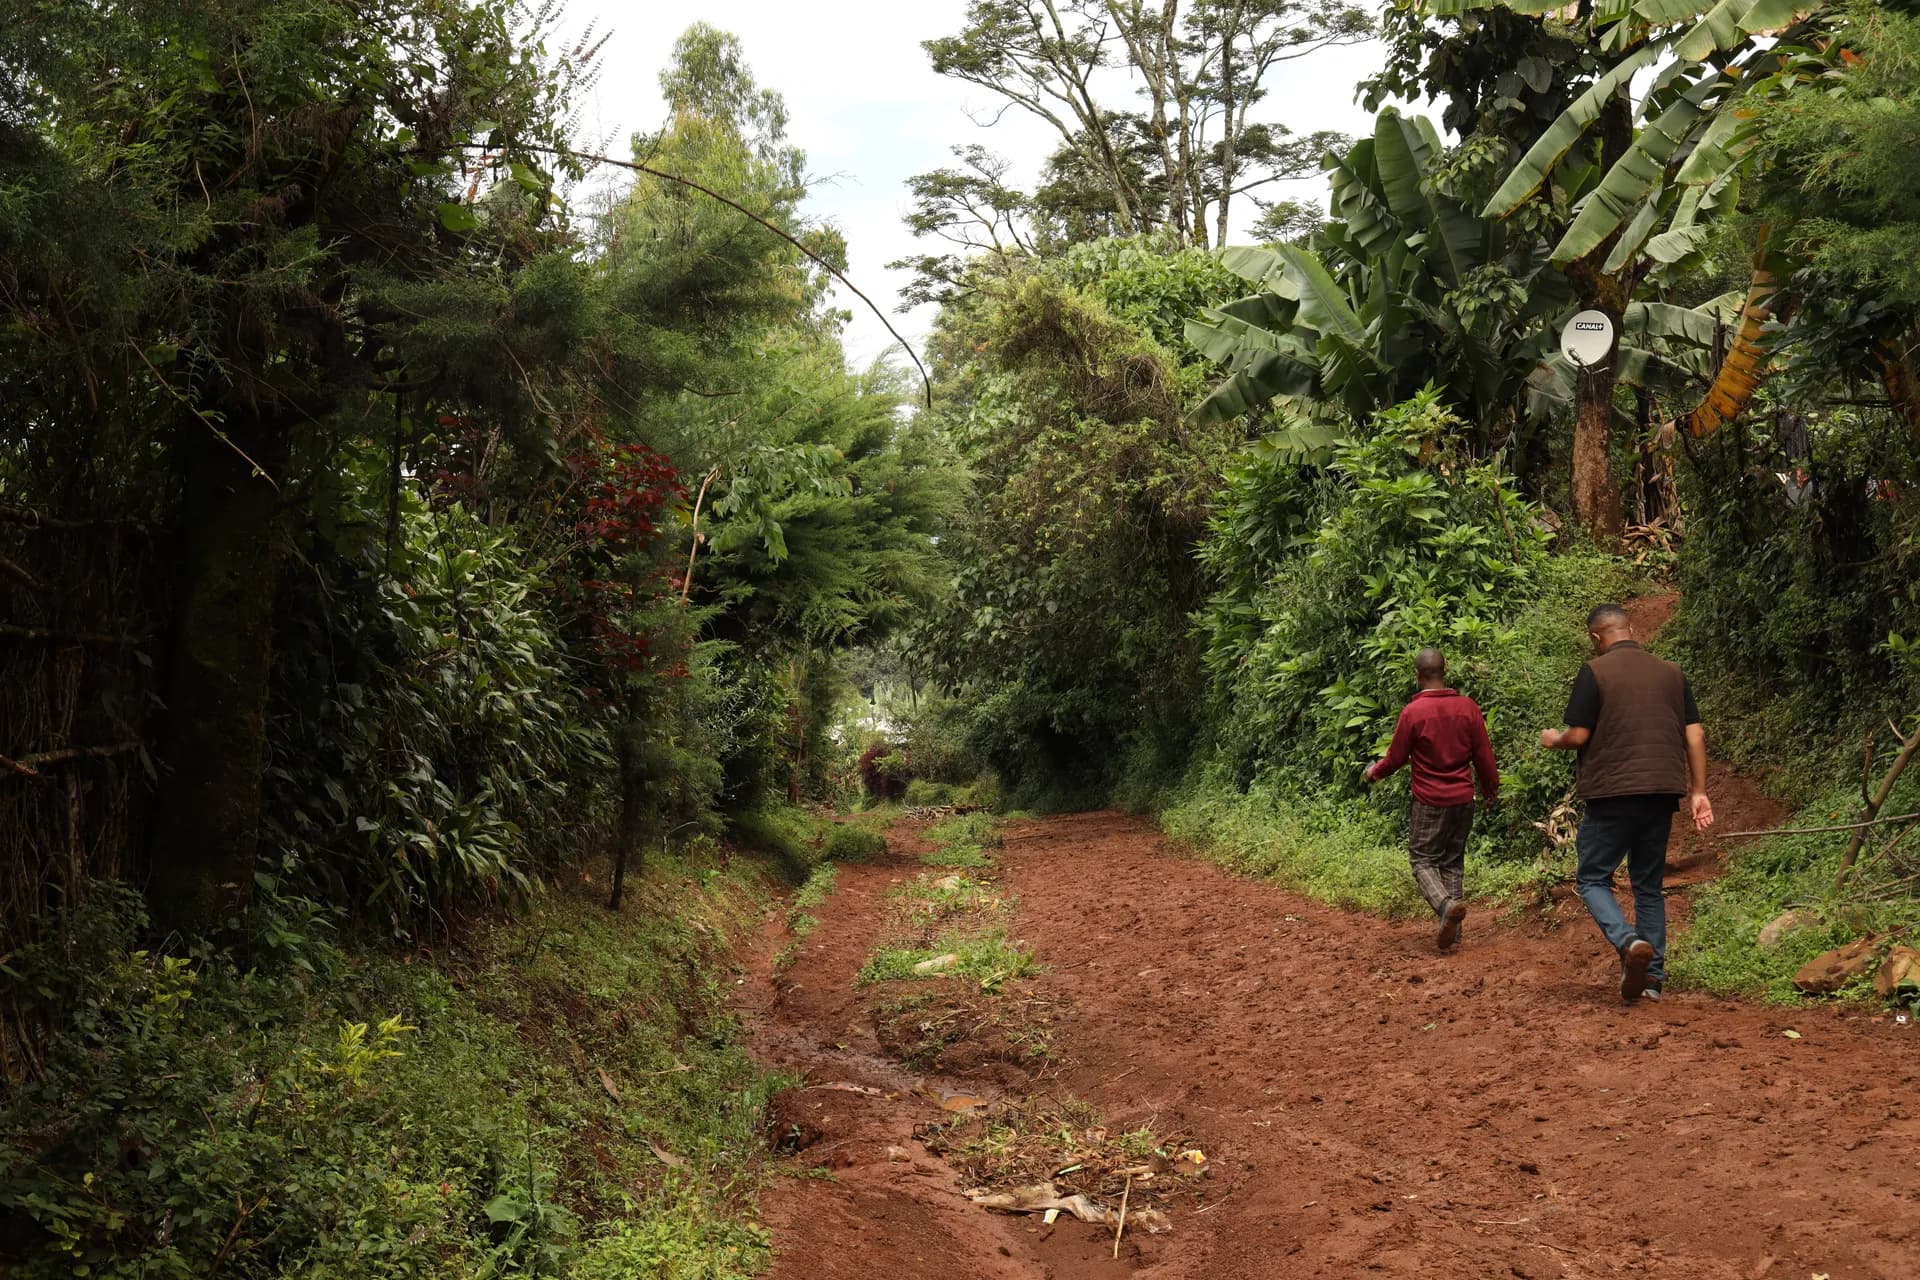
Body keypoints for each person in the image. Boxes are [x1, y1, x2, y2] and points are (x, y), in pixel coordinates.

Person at [1540, 603, 1715, 1003]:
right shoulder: (1672, 672)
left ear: (1595, 638)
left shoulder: (1595, 671)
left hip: (1612, 793)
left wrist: (1554, 739)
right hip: (1662, 791)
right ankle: (1652, 981)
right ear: (1631, 629)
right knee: (1648, 886)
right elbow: (1695, 735)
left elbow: (1580, 735)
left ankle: (1627, 941)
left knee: (1592, 878)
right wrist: (1699, 791)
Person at [1364, 648, 1499, 951]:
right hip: (1464, 798)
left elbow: (1396, 757)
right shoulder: (1467, 707)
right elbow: (1483, 756)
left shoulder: (1413, 713)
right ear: (1445, 671)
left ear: (1418, 675)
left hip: (1429, 801)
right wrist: (1491, 790)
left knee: (1422, 860)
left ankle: (1445, 906)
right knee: (1452, 862)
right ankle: (1454, 933)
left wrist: (1374, 772)